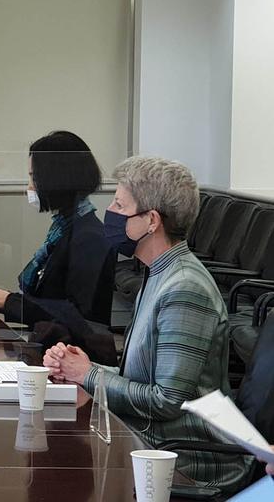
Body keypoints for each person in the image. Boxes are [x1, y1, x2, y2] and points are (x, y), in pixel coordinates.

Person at [43, 156, 250, 493]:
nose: (109, 211)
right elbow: (141, 380)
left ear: (152, 220)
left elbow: (165, 401)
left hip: (185, 460)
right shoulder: (160, 272)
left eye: (119, 204)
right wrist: (77, 366)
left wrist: (88, 375)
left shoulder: (184, 288)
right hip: (150, 443)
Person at [0, 131, 116, 363]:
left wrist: (7, 301)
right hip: (50, 352)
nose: (29, 186)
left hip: (75, 361)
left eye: (34, 178)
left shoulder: (88, 237)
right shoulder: (63, 229)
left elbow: (77, 317)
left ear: (55, 179)